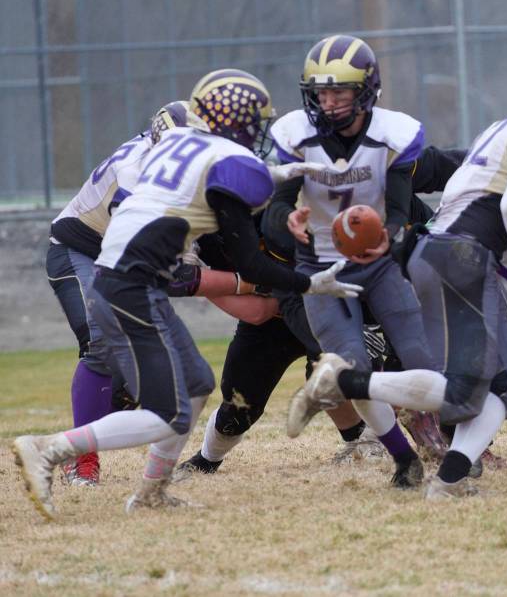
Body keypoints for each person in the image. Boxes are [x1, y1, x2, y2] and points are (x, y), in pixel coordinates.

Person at [12, 69, 363, 519]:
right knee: (165, 410)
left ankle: (151, 491)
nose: (255, 134)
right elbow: (232, 262)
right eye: (252, 123)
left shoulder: (182, 146)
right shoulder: (154, 166)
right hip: (120, 278)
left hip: (132, 278)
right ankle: (51, 448)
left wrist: (288, 172)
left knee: (197, 384)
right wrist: (311, 282)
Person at [285, 50, 507, 498]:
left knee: (468, 392)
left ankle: (451, 476)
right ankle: (349, 383)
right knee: (506, 385)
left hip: (432, 253)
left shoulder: (500, 130)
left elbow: (482, 219)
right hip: (462, 259)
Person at [268, 34, 437, 489]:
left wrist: (391, 241)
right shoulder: (295, 136)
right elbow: (274, 209)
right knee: (353, 369)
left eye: (339, 91)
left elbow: (402, 211)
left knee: (421, 356)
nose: (329, 102)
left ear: (365, 90)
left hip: (375, 262)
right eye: (321, 92)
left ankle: (455, 443)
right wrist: (290, 221)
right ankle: (403, 459)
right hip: (318, 268)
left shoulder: (392, 134)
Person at [43, 101, 208, 486]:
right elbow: (140, 254)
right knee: (100, 343)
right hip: (79, 250)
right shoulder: (134, 171)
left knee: (131, 352)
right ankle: (79, 461)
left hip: (116, 254)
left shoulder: (182, 164)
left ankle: (118, 402)